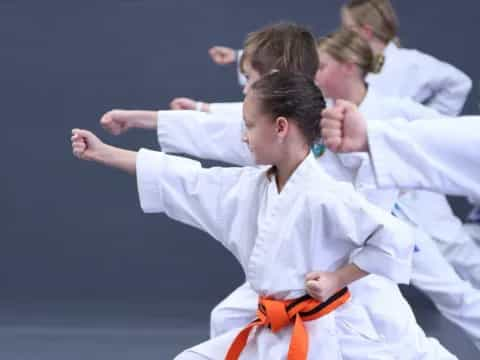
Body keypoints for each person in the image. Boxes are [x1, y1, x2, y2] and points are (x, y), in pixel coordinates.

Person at [71, 72, 455, 359]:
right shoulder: (250, 187)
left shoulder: (327, 196)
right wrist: (104, 153)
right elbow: (185, 179)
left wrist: (339, 278)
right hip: (272, 328)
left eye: (249, 126)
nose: (243, 137)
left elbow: (395, 239)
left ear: (281, 128)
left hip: (325, 336)